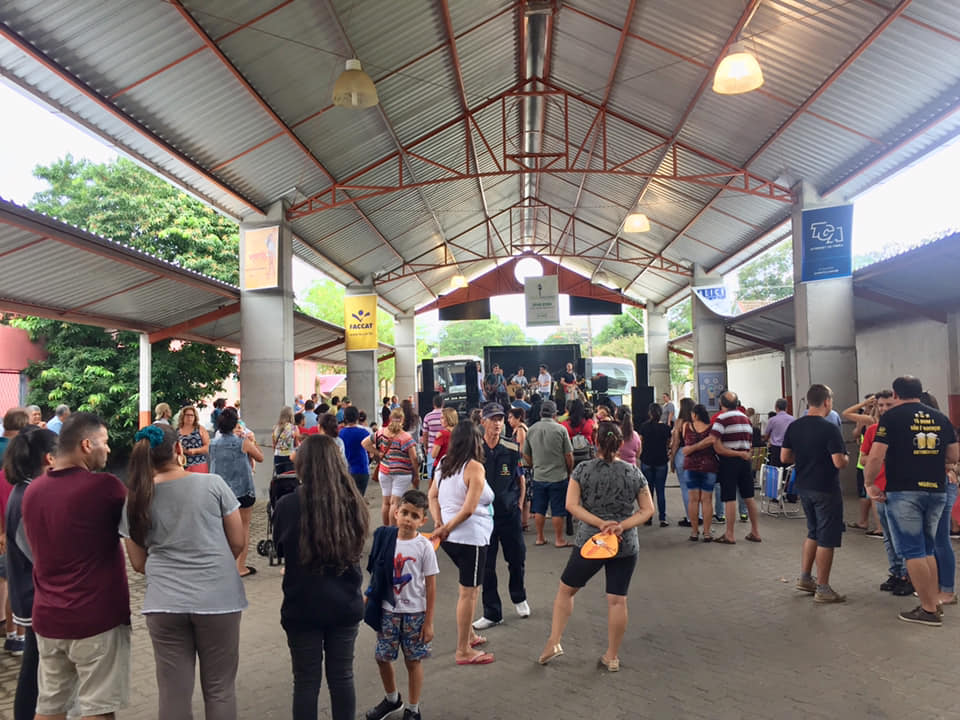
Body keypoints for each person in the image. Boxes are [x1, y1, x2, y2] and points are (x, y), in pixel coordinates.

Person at [121, 423, 247, 719]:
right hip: (219, 599)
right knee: (220, 689)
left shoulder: (135, 499)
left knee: (173, 693)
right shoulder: (213, 484)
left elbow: (138, 563)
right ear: (179, 448)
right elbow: (238, 542)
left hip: (164, 603)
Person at [22, 412, 131, 719]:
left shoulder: (33, 491)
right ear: (86, 445)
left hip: (48, 618)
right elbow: (139, 528)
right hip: (96, 620)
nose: (108, 449)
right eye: (104, 442)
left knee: (49, 706)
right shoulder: (105, 487)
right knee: (98, 709)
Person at [537, 421, 654, 671]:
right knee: (617, 600)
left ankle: (553, 642)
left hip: (591, 542)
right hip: (625, 544)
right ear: (621, 443)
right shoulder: (633, 472)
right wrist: (622, 525)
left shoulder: (583, 470)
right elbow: (647, 510)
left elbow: (571, 505)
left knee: (566, 590)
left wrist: (600, 523)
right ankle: (612, 656)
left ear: (595, 442)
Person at [273, 435, 369, 720]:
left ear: (303, 465)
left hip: (302, 605)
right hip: (345, 603)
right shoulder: (354, 502)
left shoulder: (287, 504)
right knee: (342, 677)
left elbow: (280, 548)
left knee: (305, 682)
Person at [865, 376, 959, 626]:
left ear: (895, 394)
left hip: (904, 491)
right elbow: (953, 455)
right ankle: (934, 602)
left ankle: (928, 610)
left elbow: (875, 456)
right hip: (936, 491)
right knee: (927, 549)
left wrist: (869, 483)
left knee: (912, 551)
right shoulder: (940, 418)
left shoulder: (891, 418)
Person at [364, 490, 438, 720]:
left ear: (423, 520)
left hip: (415, 614)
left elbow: (430, 586)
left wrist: (428, 622)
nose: (407, 519)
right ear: (396, 513)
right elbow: (377, 572)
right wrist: (369, 595)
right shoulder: (387, 539)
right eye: (404, 513)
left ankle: (413, 709)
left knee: (413, 661)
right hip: (389, 611)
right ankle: (392, 699)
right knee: (382, 657)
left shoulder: (424, 547)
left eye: (414, 516)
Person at [428, 421, 496, 665]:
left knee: (469, 589)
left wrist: (440, 523)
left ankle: (469, 636)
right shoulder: (474, 467)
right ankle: (463, 650)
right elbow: (468, 509)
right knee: (469, 592)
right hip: (470, 537)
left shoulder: (445, 463)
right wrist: (444, 527)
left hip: (452, 537)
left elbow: (432, 495)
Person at [4, 426, 57, 720]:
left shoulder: (27, 491)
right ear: (49, 457)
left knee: (35, 665)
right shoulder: (28, 496)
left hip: (30, 592)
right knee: (35, 669)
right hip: (33, 594)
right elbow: (41, 556)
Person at [781, 384, 849, 603]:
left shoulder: (794, 426)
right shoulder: (830, 428)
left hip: (803, 486)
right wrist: (846, 458)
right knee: (826, 538)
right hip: (826, 488)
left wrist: (805, 459)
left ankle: (805, 577)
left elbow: (784, 457)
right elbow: (839, 462)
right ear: (827, 401)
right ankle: (823, 588)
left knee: (813, 532)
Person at [473, 403, 529, 631]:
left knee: (516, 558)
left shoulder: (512, 447)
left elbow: (520, 479)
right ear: (483, 422)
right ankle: (492, 612)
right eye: (492, 419)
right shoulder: (474, 449)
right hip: (483, 516)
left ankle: (519, 597)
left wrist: (519, 504)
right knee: (486, 565)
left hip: (509, 514)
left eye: (500, 419)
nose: (497, 423)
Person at [685, 391, 761, 544]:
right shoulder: (746, 419)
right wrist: (742, 454)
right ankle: (755, 532)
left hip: (729, 463)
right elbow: (749, 444)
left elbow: (713, 442)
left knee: (729, 498)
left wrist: (692, 448)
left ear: (721, 403)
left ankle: (729, 534)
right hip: (745, 462)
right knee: (749, 497)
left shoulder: (722, 419)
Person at [859, 392, 911, 595]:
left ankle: (908, 576)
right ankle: (896, 572)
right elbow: (863, 459)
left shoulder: (906, 429)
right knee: (888, 536)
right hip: (880, 489)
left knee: (902, 536)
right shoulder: (873, 430)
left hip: (901, 489)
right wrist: (879, 456)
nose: (884, 409)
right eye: (881, 405)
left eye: (889, 404)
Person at [209, 407, 265, 578]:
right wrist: (251, 440)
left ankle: (223, 565)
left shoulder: (213, 443)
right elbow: (260, 457)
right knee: (244, 528)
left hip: (220, 491)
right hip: (242, 490)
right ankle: (240, 566)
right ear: (235, 424)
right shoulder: (243, 442)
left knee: (223, 529)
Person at [523, 400, 574, 548]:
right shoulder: (561, 429)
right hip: (558, 475)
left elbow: (525, 454)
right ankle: (559, 539)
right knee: (558, 510)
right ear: (554, 414)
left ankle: (540, 537)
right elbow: (569, 455)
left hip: (539, 475)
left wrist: (534, 465)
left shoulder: (531, 429)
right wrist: (569, 470)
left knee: (539, 509)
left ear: (540, 413)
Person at [841, 393, 887, 534]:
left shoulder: (873, 421)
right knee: (868, 494)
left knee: (872, 495)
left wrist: (864, 405)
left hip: (871, 463)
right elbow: (855, 433)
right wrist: (864, 407)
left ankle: (879, 527)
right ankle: (870, 523)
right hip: (866, 462)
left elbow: (846, 413)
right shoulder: (869, 420)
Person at [364, 408, 418, 527]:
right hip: (402, 473)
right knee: (395, 503)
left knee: (386, 503)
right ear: (402, 420)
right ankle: (393, 530)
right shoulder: (406, 437)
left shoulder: (381, 432)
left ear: (390, 419)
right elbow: (413, 457)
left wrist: (378, 453)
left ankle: (386, 528)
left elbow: (365, 443)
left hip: (384, 471)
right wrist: (416, 473)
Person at [682, 404, 718, 542]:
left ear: (695, 415)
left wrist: (691, 448)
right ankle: (707, 533)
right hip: (709, 466)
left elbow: (684, 441)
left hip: (690, 466)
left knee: (693, 500)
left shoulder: (686, 426)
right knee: (707, 500)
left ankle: (694, 532)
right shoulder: (712, 428)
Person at [639, 403, 671, 527]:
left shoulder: (644, 427)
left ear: (650, 413)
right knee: (660, 490)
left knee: (648, 491)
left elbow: (641, 442)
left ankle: (648, 518)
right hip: (661, 461)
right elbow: (668, 443)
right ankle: (662, 518)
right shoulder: (666, 428)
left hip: (647, 460)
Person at [669, 398, 696, 527]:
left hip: (681, 454)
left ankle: (690, 518)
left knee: (685, 488)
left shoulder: (679, 422)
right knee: (696, 488)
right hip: (696, 455)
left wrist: (672, 459)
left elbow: (676, 443)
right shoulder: (697, 421)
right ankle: (699, 516)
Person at [339, 406, 371, 496]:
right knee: (360, 498)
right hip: (362, 470)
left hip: (346, 470)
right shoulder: (364, 432)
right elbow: (372, 449)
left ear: (345, 418)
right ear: (357, 417)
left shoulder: (340, 433)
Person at [178, 404, 211, 474]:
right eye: (187, 415)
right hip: (182, 466)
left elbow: (207, 447)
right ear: (182, 416)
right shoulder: (177, 431)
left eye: (192, 415)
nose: (189, 417)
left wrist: (195, 451)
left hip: (198, 464)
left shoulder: (200, 429)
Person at [421, 395, 445, 484]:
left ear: (433, 404)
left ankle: (431, 491)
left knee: (431, 475)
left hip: (432, 449)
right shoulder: (447, 416)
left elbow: (425, 434)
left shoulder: (428, 416)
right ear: (443, 404)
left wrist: (425, 447)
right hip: (446, 449)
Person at [764, 398, 795, 467]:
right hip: (789, 449)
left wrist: (767, 440)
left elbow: (766, 436)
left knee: (776, 470)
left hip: (776, 450)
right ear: (786, 408)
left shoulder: (772, 420)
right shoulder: (792, 419)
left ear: (776, 407)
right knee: (787, 470)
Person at [273, 406, 301, 475]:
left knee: (279, 478)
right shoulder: (294, 428)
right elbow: (297, 444)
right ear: (291, 415)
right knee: (289, 477)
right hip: (289, 456)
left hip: (278, 456)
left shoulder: (275, 428)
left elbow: (274, 445)